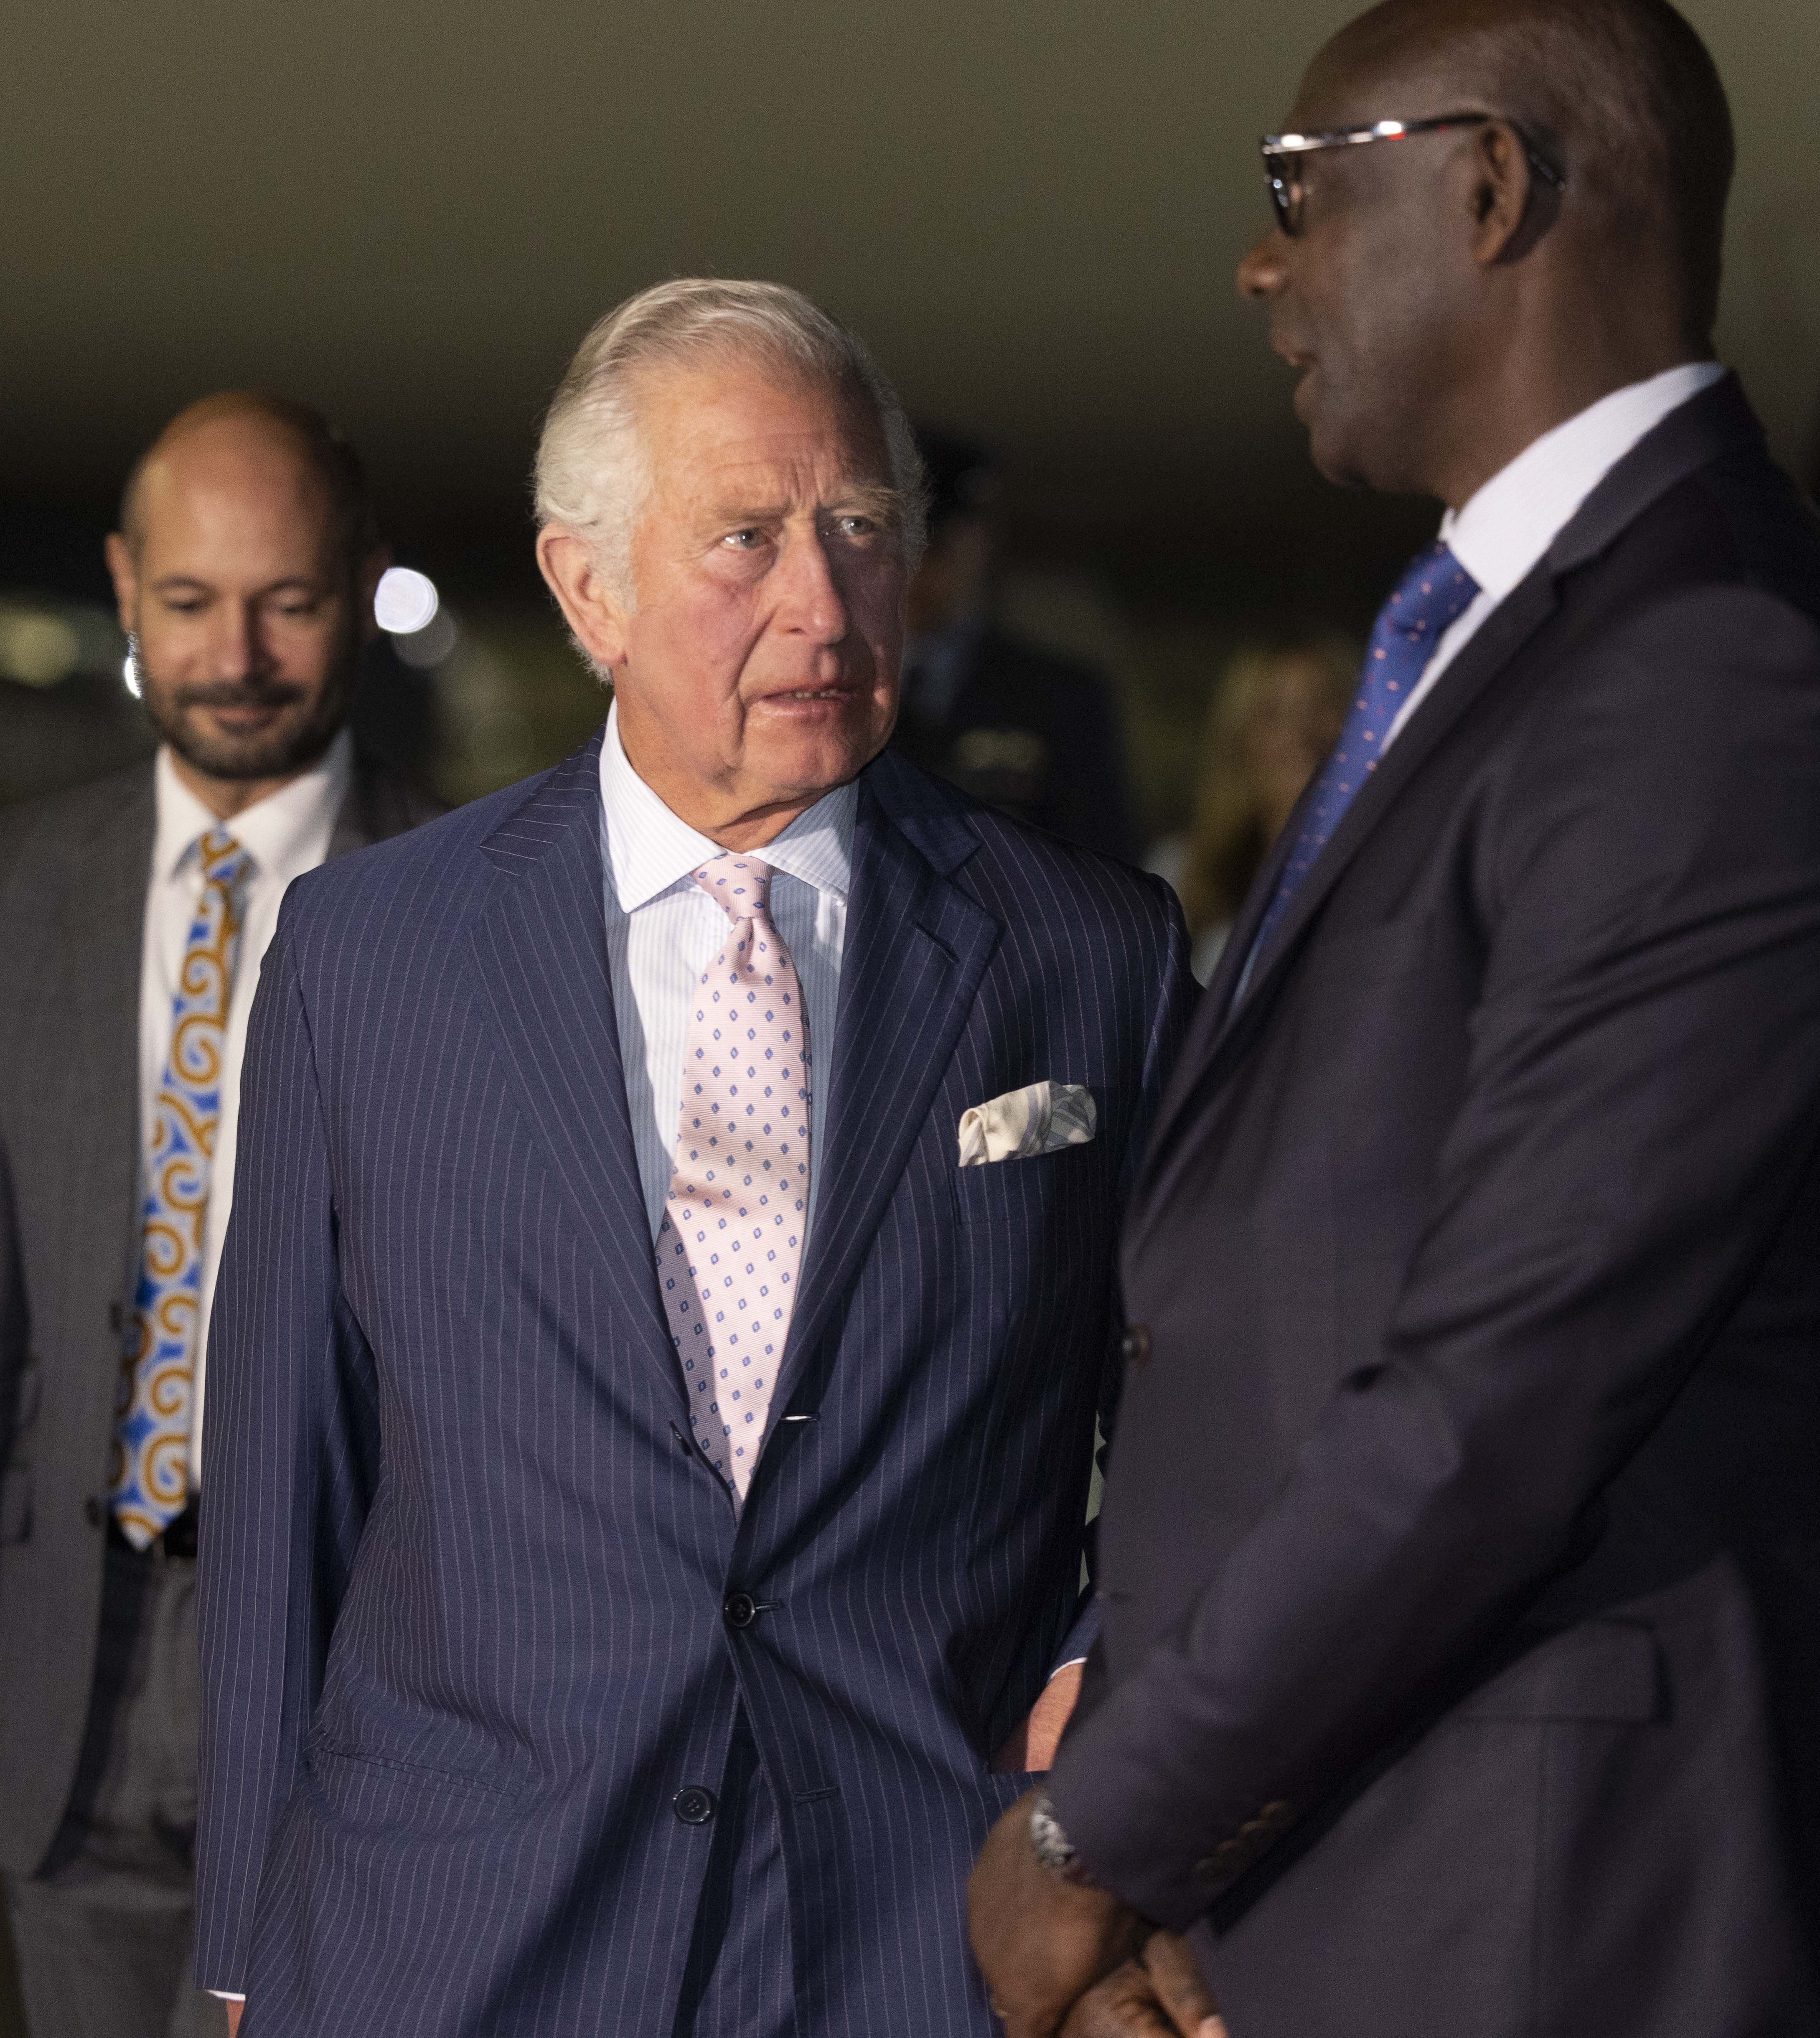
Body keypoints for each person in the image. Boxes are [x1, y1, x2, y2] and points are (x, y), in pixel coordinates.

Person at [970, 0, 1820, 2038]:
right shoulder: (1516, 632)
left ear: (1490, 190)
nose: (1264, 273)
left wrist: (1095, 1835)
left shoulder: (1710, 665)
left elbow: (1504, 1382)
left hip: (1572, 1909)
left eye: (1297, 191)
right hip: (1372, 1851)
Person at [193, 280, 1193, 2036]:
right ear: (587, 584)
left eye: (860, 528)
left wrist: (1084, 1687)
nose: (819, 602)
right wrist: (236, 1956)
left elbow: (1199, 1399)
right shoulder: (369, 954)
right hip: (447, 1932)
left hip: (911, 1927)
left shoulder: (1081, 950)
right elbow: (287, 1485)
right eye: (744, 538)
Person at [0, 393, 438, 2038]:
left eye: (291, 601)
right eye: (189, 601)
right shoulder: (20, 890)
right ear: (123, 586)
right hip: (65, 1675)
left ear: (364, 582)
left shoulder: (477, 892)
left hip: (351, 1675)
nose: (236, 652)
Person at [889, 428, 1141, 861]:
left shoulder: (1060, 699)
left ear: (978, 544)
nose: (919, 567)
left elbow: (1104, 863)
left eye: (937, 544)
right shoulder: (828, 688)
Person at [1147, 638, 1355, 983]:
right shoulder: (1178, 870)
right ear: (1240, 738)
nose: (1299, 732)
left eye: (1320, 705)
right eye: (1273, 713)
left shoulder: (1381, 865)